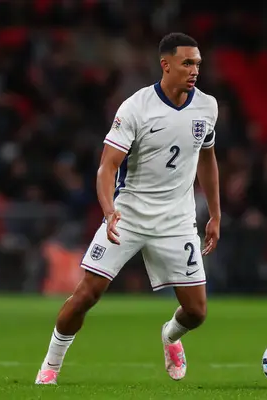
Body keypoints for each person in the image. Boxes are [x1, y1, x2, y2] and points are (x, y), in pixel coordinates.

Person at [35, 32, 221, 384]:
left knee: (196, 312)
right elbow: (106, 167)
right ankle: (50, 366)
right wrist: (108, 211)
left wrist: (215, 213)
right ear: (165, 65)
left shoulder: (207, 106)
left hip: (177, 221)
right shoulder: (136, 107)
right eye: (187, 63)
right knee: (86, 294)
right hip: (130, 215)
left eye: (197, 63)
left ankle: (170, 336)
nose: (195, 70)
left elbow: (207, 159)